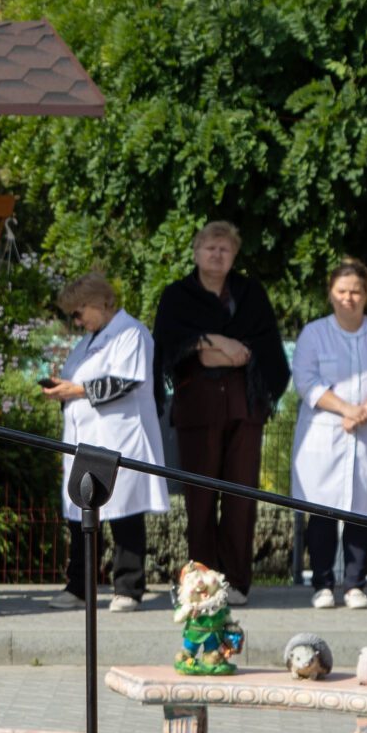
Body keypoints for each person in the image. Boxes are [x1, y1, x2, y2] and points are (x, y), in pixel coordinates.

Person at [153, 219, 287, 600]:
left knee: (240, 497)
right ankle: (203, 583)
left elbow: (262, 347)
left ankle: (236, 582)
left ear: (234, 256)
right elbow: (170, 343)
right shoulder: (177, 296)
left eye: (224, 248)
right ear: (196, 252)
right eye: (210, 247)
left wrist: (210, 348)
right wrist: (215, 342)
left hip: (245, 407)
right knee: (200, 500)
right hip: (198, 409)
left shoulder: (250, 294)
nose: (217, 254)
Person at [41, 273, 166, 612]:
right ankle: (79, 587)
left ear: (98, 303)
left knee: (125, 512)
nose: (76, 321)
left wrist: (76, 390)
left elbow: (125, 381)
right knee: (81, 512)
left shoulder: (131, 333)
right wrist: (62, 389)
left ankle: (128, 588)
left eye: (78, 312)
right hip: (85, 438)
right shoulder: (86, 342)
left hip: (120, 436)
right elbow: (79, 382)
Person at [290, 259, 367, 610]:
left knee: (363, 510)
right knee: (321, 511)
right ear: (331, 293)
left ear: (366, 295)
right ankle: (322, 584)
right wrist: (346, 409)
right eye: (342, 291)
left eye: (356, 291)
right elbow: (305, 380)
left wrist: (365, 411)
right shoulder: (314, 333)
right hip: (325, 434)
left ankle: (355, 584)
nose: (348, 298)